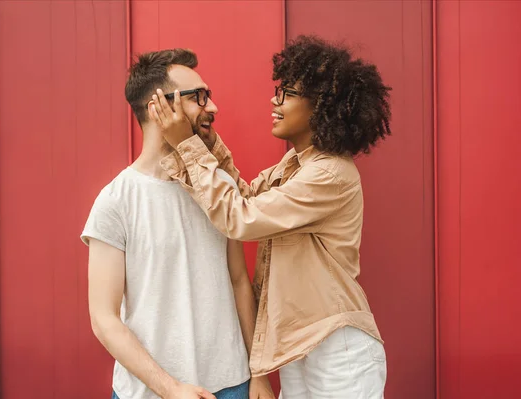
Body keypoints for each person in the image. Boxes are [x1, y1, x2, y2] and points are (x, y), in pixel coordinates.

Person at [149, 35, 392, 398]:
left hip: (338, 350)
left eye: (288, 93)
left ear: (321, 107)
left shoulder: (329, 174)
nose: (274, 101)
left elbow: (240, 217)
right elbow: (246, 196)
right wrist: (206, 142)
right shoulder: (294, 165)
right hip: (298, 349)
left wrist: (187, 145)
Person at [81, 49, 274, 399]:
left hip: (232, 385)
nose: (212, 108)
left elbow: (239, 282)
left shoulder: (219, 190)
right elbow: (103, 319)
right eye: (199, 97)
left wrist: (258, 374)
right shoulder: (116, 201)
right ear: (159, 106)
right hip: (149, 393)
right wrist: (170, 389)